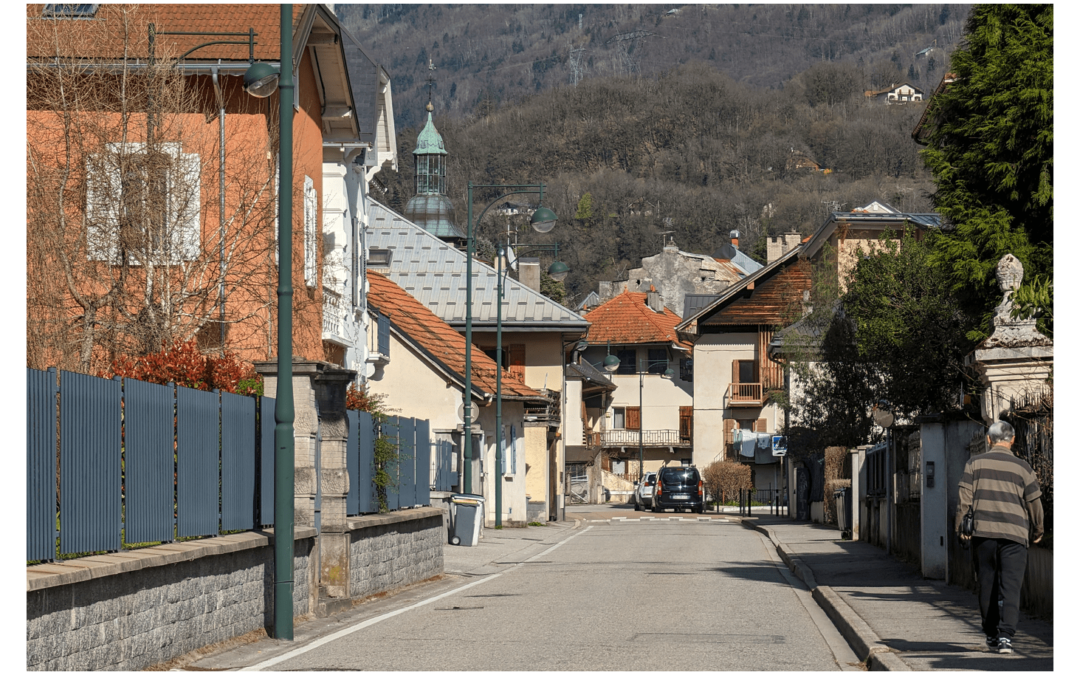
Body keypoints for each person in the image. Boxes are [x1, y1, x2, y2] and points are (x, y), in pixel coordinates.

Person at [956, 420, 1043, 655]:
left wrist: (962, 529)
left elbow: (964, 499)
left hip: (983, 534)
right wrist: (1037, 530)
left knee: (987, 584)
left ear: (988, 439)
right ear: (1013, 440)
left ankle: (991, 634)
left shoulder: (974, 463)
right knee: (1011, 587)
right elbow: (1034, 503)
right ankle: (1006, 637)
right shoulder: (1023, 468)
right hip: (1015, 536)